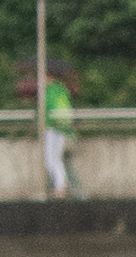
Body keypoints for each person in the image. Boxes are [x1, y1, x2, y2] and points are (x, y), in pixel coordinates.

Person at [38, 63, 75, 198]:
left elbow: (46, 108)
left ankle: (60, 186)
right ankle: (60, 186)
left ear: (48, 77)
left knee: (50, 159)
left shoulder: (50, 91)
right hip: (62, 127)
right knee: (55, 158)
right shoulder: (61, 89)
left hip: (52, 127)